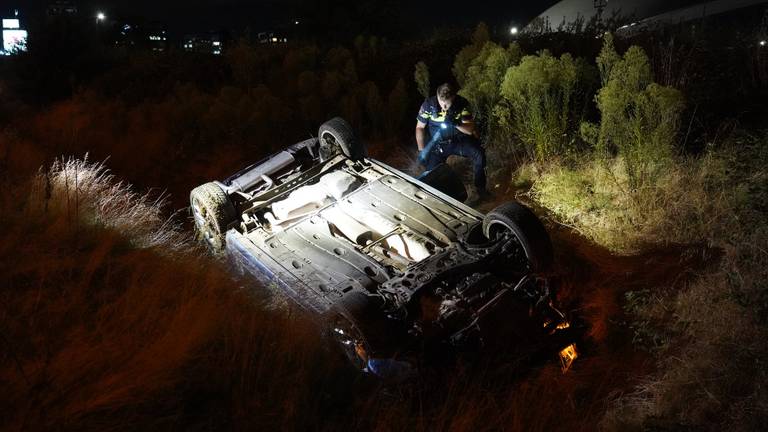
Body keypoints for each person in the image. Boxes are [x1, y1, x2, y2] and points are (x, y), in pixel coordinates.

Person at [415, 83, 489, 200]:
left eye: (447, 104)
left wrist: (456, 123)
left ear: (453, 98)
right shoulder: (428, 105)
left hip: (458, 141)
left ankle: (481, 190)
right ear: (437, 97)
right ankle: (444, 199)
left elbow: (470, 130)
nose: (444, 107)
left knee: (479, 154)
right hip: (438, 145)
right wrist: (421, 150)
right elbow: (420, 127)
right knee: (431, 174)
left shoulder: (461, 104)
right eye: (441, 103)